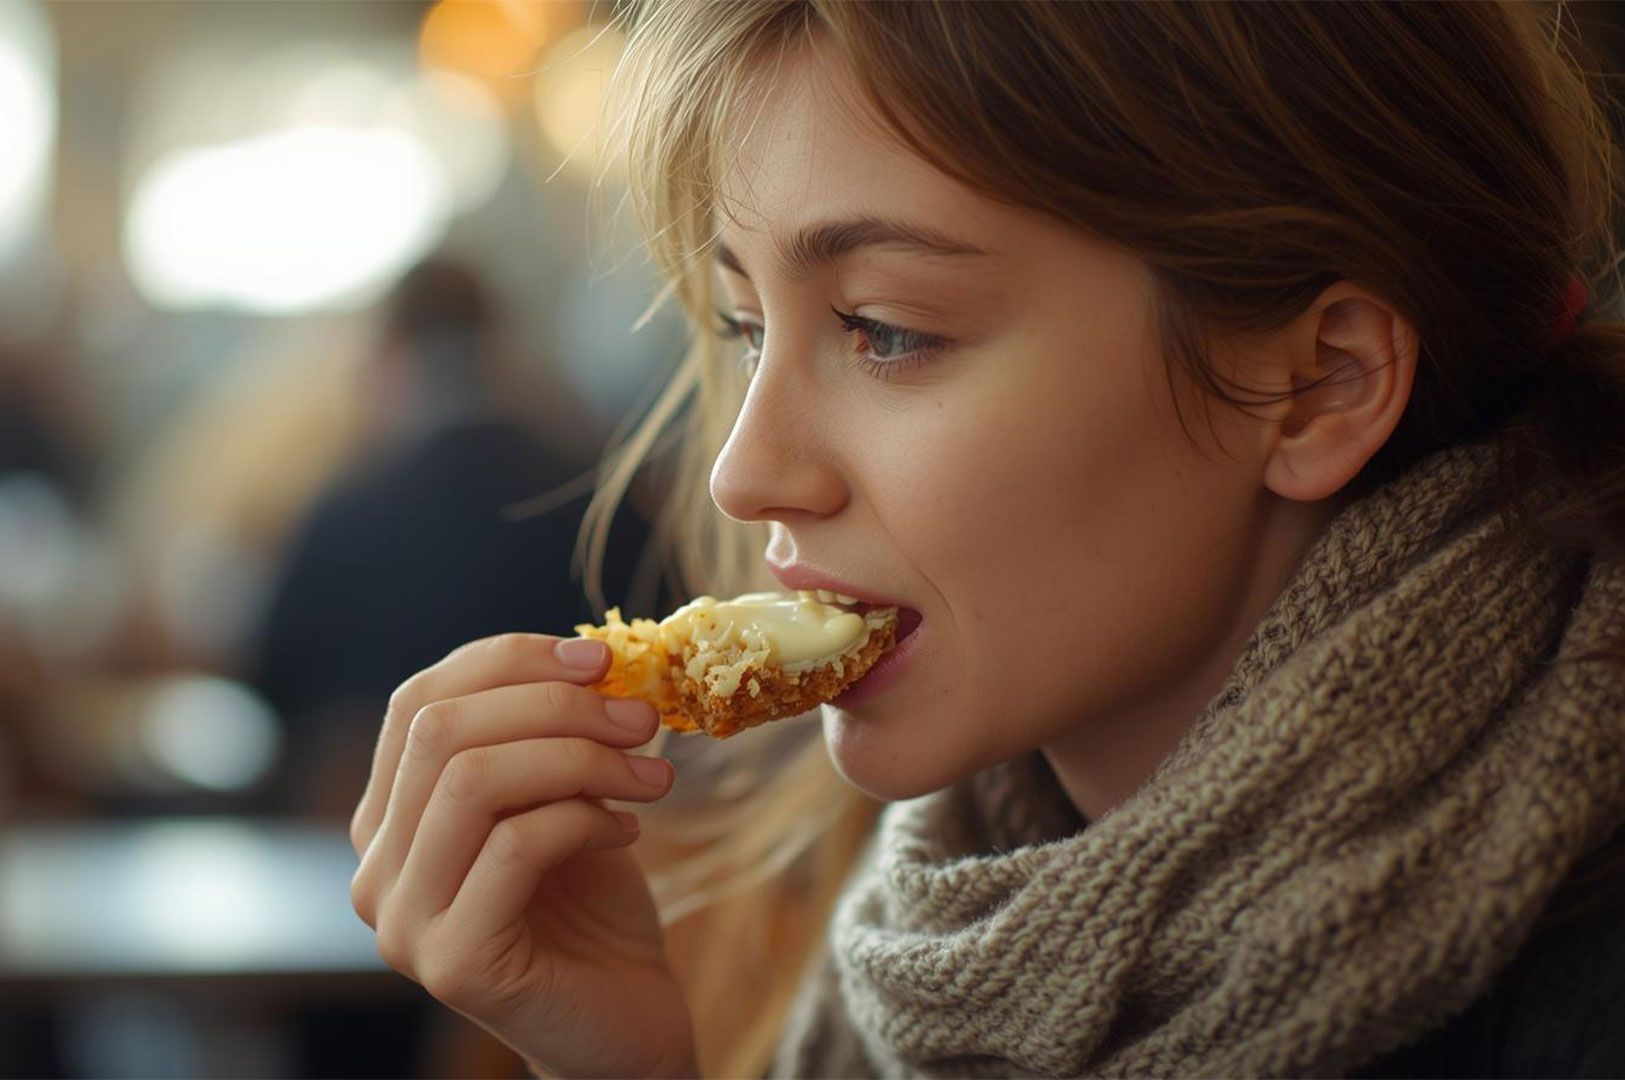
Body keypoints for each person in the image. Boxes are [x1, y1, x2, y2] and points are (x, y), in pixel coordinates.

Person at [347, 3, 1625, 1077]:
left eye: (885, 328)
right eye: (744, 328)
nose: (744, 473)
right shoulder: (926, 936)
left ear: (1318, 385)